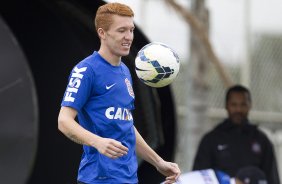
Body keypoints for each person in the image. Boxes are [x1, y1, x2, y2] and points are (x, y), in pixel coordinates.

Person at [57, 2, 180, 184]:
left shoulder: (125, 71)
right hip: (97, 179)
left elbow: (126, 125)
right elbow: (64, 121)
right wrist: (98, 142)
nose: (128, 37)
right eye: (121, 30)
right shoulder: (86, 70)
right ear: (102, 33)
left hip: (127, 178)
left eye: (130, 30)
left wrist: (158, 162)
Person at [192, 84, 280, 184]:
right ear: (226, 105)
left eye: (243, 104)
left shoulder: (262, 140)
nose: (238, 110)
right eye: (234, 104)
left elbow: (273, 179)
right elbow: (198, 178)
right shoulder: (211, 140)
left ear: (250, 105)